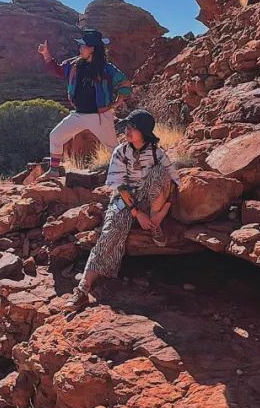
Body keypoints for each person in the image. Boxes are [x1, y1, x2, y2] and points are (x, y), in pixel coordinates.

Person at [66, 109, 180, 311]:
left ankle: (155, 226)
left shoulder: (157, 153)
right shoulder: (120, 152)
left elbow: (173, 183)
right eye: (127, 127)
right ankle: (83, 288)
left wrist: (160, 213)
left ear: (144, 131)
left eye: (132, 127)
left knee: (160, 173)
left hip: (151, 200)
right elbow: (120, 187)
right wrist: (137, 213)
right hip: (126, 200)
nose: (127, 131)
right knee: (110, 233)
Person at [37, 29, 131, 182]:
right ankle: (54, 171)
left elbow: (125, 84)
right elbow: (59, 71)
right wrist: (46, 54)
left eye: (83, 46)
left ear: (92, 49)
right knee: (56, 136)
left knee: (113, 148)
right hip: (79, 114)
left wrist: (118, 101)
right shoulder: (75, 65)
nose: (80, 49)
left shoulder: (106, 68)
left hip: (100, 116)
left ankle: (130, 172)